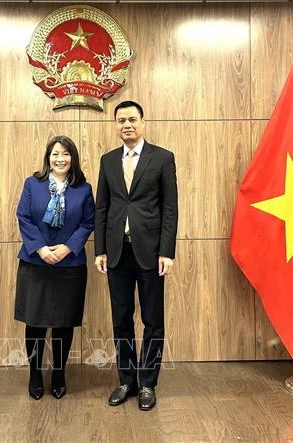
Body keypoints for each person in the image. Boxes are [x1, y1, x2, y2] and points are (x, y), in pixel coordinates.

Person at [94, 100, 178, 411]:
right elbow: (102, 207)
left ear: (142, 122)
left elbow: (170, 208)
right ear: (116, 126)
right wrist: (100, 248)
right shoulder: (108, 160)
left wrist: (167, 252)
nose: (126, 125)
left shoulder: (163, 158)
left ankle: (148, 384)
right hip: (117, 251)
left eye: (132, 119)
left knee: (152, 320)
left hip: (151, 253)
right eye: (121, 121)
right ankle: (127, 381)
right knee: (121, 319)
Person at [15, 135, 95, 400]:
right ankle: (35, 374)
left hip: (70, 264)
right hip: (35, 262)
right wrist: (40, 248)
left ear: (73, 159)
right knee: (35, 322)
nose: (60, 159)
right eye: (55, 154)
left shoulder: (83, 189)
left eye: (66, 154)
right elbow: (23, 216)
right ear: (48, 157)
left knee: (63, 324)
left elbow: (88, 222)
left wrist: (67, 248)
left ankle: (59, 374)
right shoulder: (33, 184)